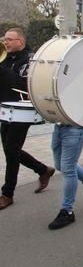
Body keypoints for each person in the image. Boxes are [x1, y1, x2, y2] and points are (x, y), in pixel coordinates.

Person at [0, 27, 55, 210]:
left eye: (9, 39)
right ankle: (42, 170)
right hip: (5, 110)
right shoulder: (5, 58)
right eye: (4, 39)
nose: (5, 42)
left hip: (22, 111)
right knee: (10, 149)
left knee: (11, 149)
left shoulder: (31, 60)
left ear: (20, 42)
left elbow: (24, 84)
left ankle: (7, 194)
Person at [47, 123, 83, 229]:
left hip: (76, 128)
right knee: (60, 165)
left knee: (68, 169)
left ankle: (67, 211)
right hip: (60, 125)